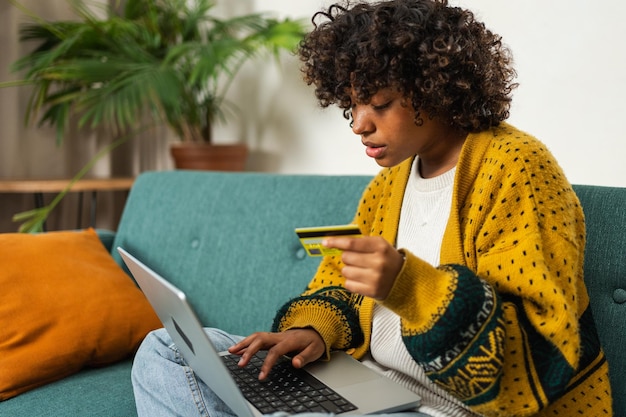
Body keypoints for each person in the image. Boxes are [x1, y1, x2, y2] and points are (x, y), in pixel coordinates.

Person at [131, 0, 613, 416]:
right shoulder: (390, 184)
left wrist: (406, 284)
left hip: (455, 408)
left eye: (379, 104)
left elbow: (534, 356)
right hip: (369, 387)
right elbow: (338, 283)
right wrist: (313, 331)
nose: (359, 124)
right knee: (167, 349)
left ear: (436, 89)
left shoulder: (516, 167)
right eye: (352, 104)